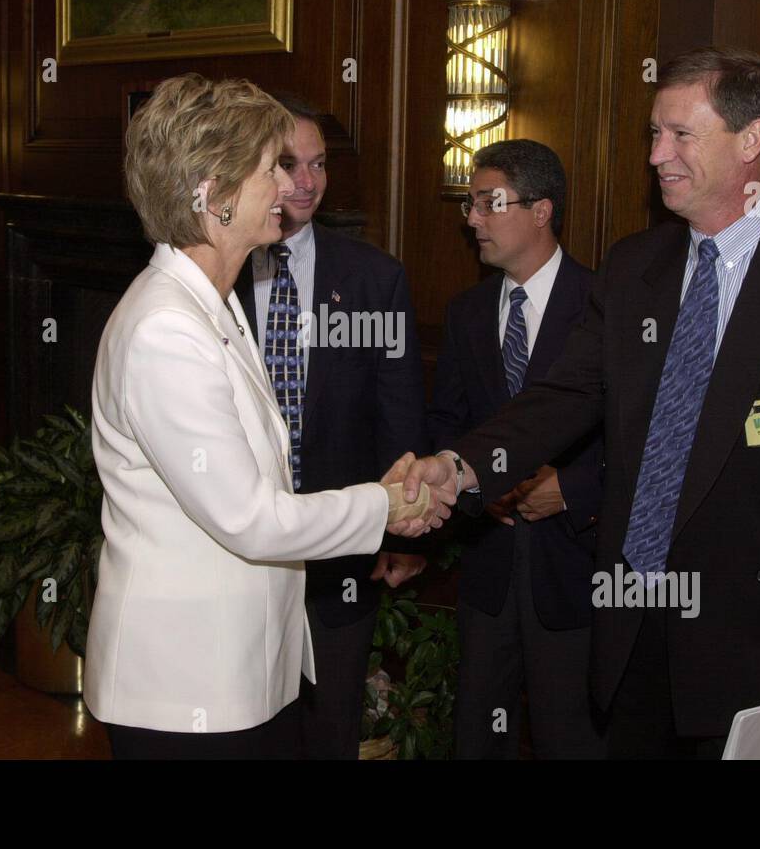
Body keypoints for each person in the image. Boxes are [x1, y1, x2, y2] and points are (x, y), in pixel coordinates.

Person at [394, 47, 760, 758]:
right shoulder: (636, 266)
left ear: (752, 139)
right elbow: (564, 396)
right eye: (652, 134)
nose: (656, 155)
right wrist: (459, 465)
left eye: (679, 134)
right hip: (630, 623)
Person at [84, 74, 449, 759]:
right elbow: (250, 517)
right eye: (268, 169)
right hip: (186, 683)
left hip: (240, 665)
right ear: (214, 197)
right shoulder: (167, 328)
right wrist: (386, 507)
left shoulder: (213, 303)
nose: (288, 187)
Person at [233, 95, 430, 759]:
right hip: (236, 554)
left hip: (339, 556)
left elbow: (398, 413)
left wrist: (399, 522)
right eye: (289, 164)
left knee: (328, 728)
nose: (309, 183)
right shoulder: (215, 277)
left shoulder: (374, 279)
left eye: (318, 164)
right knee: (247, 726)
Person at [428, 139, 604, 758]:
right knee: (479, 735)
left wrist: (573, 488)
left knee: (570, 739)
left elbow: (644, 437)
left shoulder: (606, 306)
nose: (471, 218)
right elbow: (446, 423)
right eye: (469, 204)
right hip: (488, 574)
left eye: (487, 203)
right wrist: (475, 485)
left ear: (540, 210)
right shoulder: (467, 313)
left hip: (577, 572)